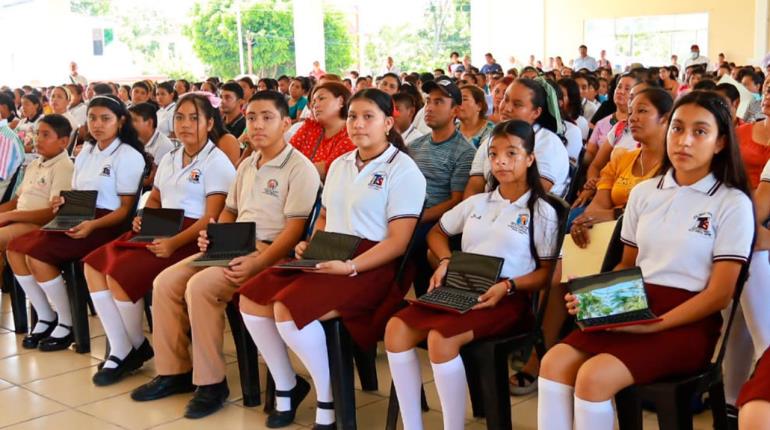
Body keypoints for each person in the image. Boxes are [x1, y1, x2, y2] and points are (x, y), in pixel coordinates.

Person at [538, 90, 754, 430]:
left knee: (593, 377)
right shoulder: (644, 193)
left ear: (721, 142)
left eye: (700, 132)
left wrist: (655, 323)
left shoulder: (732, 202)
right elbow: (628, 266)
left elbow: (720, 294)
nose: (684, 141)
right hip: (635, 303)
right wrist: (595, 299)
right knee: (553, 362)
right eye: (677, 129)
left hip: (687, 321)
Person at [236, 88, 425, 429]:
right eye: (353, 116)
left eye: (369, 117)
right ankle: (287, 384)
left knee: (286, 309)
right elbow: (324, 214)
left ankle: (328, 398)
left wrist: (351, 266)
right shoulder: (340, 163)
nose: (358, 124)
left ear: (388, 123)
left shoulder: (404, 170)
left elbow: (398, 242)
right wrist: (310, 242)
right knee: (250, 298)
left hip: (372, 264)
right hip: (329, 253)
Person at [129, 91, 319, 419]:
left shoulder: (298, 167)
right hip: (234, 244)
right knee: (166, 281)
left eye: (267, 118)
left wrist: (258, 262)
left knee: (200, 287)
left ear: (286, 123)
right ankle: (174, 372)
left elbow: (294, 231)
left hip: (269, 251)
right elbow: (229, 211)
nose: (257, 125)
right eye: (252, 118)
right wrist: (213, 237)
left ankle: (211, 383)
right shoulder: (247, 164)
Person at [385, 119, 559, 430]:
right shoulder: (478, 202)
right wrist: (445, 260)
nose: (501, 161)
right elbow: (436, 233)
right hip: (463, 288)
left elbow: (547, 274)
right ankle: (413, 425)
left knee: (441, 339)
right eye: (493, 154)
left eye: (511, 153)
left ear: (530, 158)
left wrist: (508, 286)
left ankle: (454, 426)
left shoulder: (539, 211)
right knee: (396, 328)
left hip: (507, 300)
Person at [82, 92, 237, 387]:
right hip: (161, 227)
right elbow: (155, 197)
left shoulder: (217, 162)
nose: (185, 124)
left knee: (118, 274)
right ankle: (125, 346)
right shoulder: (170, 157)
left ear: (210, 123)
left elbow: (211, 219)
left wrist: (174, 243)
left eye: (194, 118)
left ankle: (132, 348)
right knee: (94, 265)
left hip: (192, 236)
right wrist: (143, 215)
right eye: (179, 117)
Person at [7, 95, 147, 352]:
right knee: (15, 248)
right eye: (92, 118)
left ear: (121, 121)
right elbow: (75, 192)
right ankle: (46, 315)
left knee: (37, 255)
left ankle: (67, 320)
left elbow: (125, 210)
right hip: (77, 215)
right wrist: (62, 203)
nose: (97, 124)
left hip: (107, 223)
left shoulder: (128, 155)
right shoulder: (86, 152)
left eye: (106, 118)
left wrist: (93, 226)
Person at [0, 115, 73, 338]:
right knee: (13, 251)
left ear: (64, 141)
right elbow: (17, 199)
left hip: (39, 224)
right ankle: (45, 314)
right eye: (37, 134)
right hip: (19, 219)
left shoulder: (63, 167)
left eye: (45, 135)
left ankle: (63, 318)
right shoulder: (34, 163)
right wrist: (5, 212)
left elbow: (53, 212)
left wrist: (12, 216)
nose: (38, 139)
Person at [570, 88, 672, 245]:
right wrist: (585, 221)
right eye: (630, 113)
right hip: (608, 238)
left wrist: (613, 215)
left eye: (642, 111)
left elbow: (657, 213)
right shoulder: (622, 158)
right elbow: (598, 205)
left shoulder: (673, 167)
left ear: (665, 118)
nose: (633, 119)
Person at [409, 77, 476, 295]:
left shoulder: (464, 152)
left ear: (455, 110)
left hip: (433, 220)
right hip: (406, 213)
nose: (429, 107)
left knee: (409, 243)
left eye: (439, 102)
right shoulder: (415, 146)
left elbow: (455, 201)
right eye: (428, 101)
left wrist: (417, 218)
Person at [465, 78, 570, 198]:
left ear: (536, 112)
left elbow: (535, 192)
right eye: (506, 99)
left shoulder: (547, 142)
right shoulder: (494, 137)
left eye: (517, 104)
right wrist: (471, 211)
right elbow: (475, 183)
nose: (506, 108)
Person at [289, 82, 355, 180]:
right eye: (314, 101)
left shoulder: (351, 133)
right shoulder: (310, 126)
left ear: (341, 101)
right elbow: (287, 155)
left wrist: (293, 170)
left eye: (321, 99)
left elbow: (329, 169)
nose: (315, 105)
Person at [128, 102, 175, 187]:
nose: (129, 124)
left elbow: (152, 180)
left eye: (134, 120)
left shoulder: (163, 146)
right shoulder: (131, 139)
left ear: (149, 122)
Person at [457, 84, 494, 149]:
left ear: (479, 106)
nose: (458, 103)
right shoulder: (453, 128)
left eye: (464, 99)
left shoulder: (491, 131)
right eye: (457, 99)